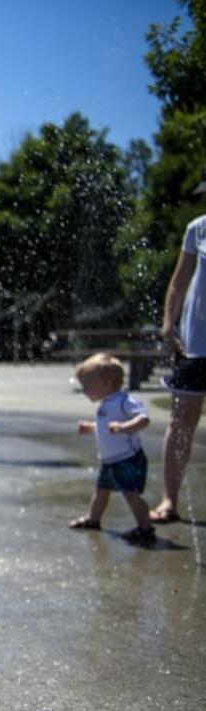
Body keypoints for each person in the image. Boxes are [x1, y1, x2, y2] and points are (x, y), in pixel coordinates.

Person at [152, 189, 206, 524]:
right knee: (180, 421)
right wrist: (168, 324)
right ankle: (169, 499)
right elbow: (178, 282)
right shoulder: (197, 228)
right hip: (196, 342)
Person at [68, 353, 155, 544]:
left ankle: (146, 528)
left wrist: (125, 427)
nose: (84, 391)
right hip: (109, 460)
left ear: (106, 383)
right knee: (101, 491)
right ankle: (93, 519)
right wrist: (91, 428)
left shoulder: (125, 401)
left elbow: (143, 419)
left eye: (87, 386)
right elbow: (106, 427)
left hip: (127, 459)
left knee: (131, 494)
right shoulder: (107, 403)